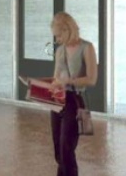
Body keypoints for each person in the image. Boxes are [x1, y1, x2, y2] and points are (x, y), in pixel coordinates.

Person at [48, 12, 98, 176]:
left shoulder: (87, 47)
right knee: (58, 150)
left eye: (58, 36)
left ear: (67, 30)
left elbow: (91, 79)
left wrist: (68, 81)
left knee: (66, 148)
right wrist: (44, 86)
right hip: (57, 101)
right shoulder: (60, 50)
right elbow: (56, 78)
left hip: (74, 101)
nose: (56, 40)